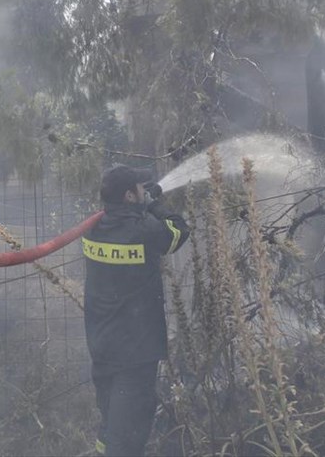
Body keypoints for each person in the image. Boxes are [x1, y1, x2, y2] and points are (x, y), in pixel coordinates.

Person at [82, 164, 191, 457]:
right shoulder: (144, 230)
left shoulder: (92, 228)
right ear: (130, 196)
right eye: (141, 189)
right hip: (136, 351)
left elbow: (120, 223)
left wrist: (142, 203)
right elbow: (178, 232)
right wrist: (154, 205)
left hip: (102, 347)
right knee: (129, 435)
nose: (145, 192)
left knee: (110, 424)